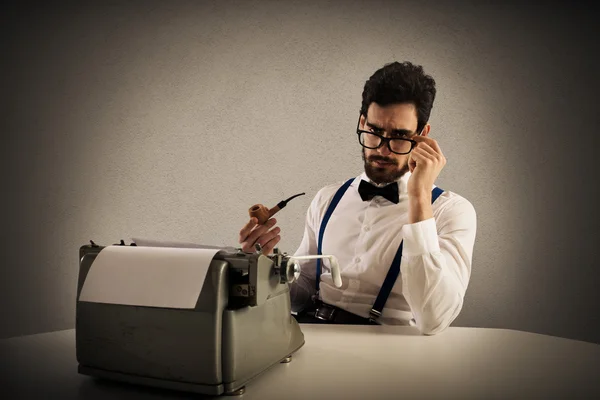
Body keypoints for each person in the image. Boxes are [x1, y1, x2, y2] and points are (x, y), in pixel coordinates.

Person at [238, 61, 477, 335]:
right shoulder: (328, 199)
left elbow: (434, 319)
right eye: (374, 132)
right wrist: (264, 264)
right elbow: (301, 294)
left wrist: (420, 196)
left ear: (423, 136)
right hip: (311, 336)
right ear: (362, 122)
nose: (383, 150)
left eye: (399, 137)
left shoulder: (452, 211)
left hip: (390, 356)